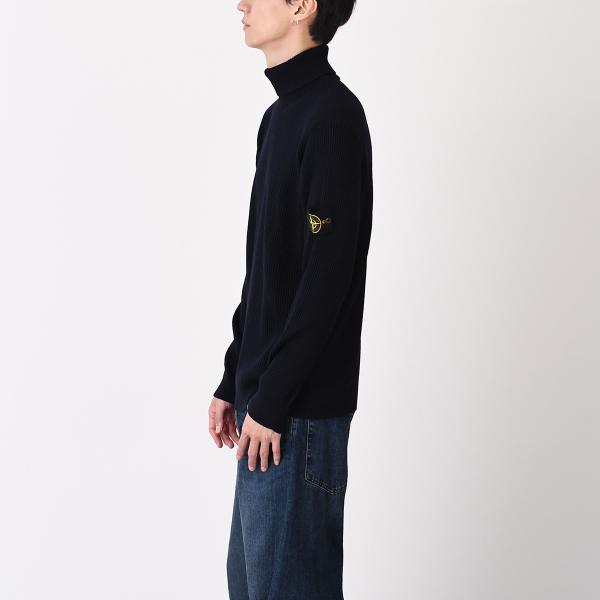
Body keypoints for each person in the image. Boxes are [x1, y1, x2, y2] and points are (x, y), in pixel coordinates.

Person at [209, 1, 372, 597]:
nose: (242, 4)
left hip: (295, 416)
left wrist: (272, 399)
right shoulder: (279, 118)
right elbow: (267, 268)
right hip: (267, 409)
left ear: (303, 5)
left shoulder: (333, 117)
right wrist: (234, 377)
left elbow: (326, 278)